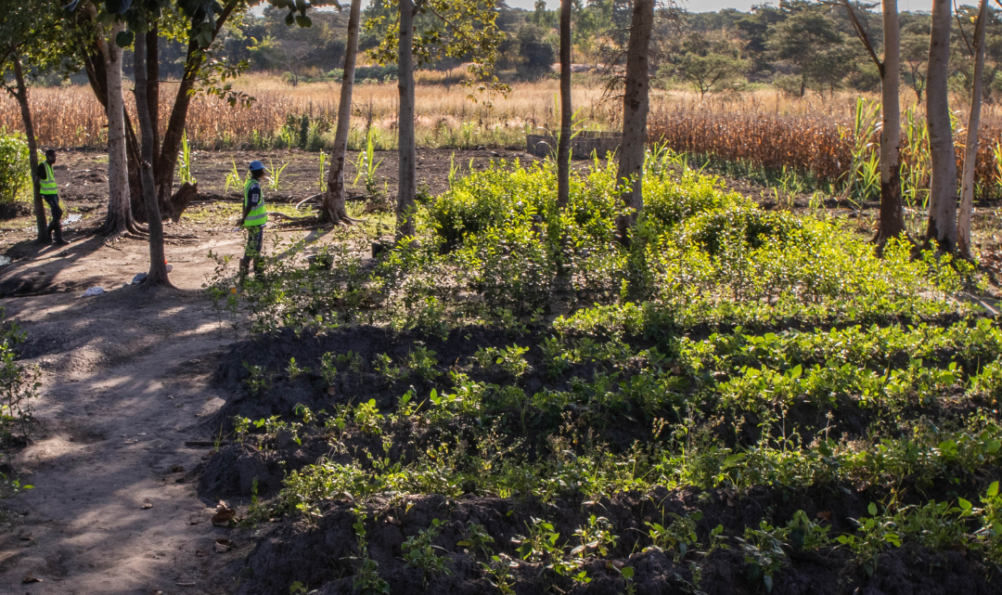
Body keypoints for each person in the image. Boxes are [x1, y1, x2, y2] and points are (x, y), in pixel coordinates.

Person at [238, 160, 268, 278]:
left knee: (255, 248)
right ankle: (249, 274)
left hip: (253, 222)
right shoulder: (255, 186)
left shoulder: (250, 183)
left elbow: (245, 202)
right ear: (259, 172)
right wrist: (243, 218)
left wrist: (243, 218)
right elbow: (251, 204)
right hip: (255, 223)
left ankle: (257, 273)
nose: (264, 172)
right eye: (263, 170)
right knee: (253, 247)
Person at [36, 149, 67, 245]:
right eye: (53, 156)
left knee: (55, 215)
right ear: (48, 157)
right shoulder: (42, 166)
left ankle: (58, 239)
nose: (55, 158)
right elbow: (36, 180)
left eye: (55, 156)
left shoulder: (50, 166)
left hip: (53, 194)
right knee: (58, 212)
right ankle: (49, 230)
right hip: (48, 195)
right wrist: (40, 193)